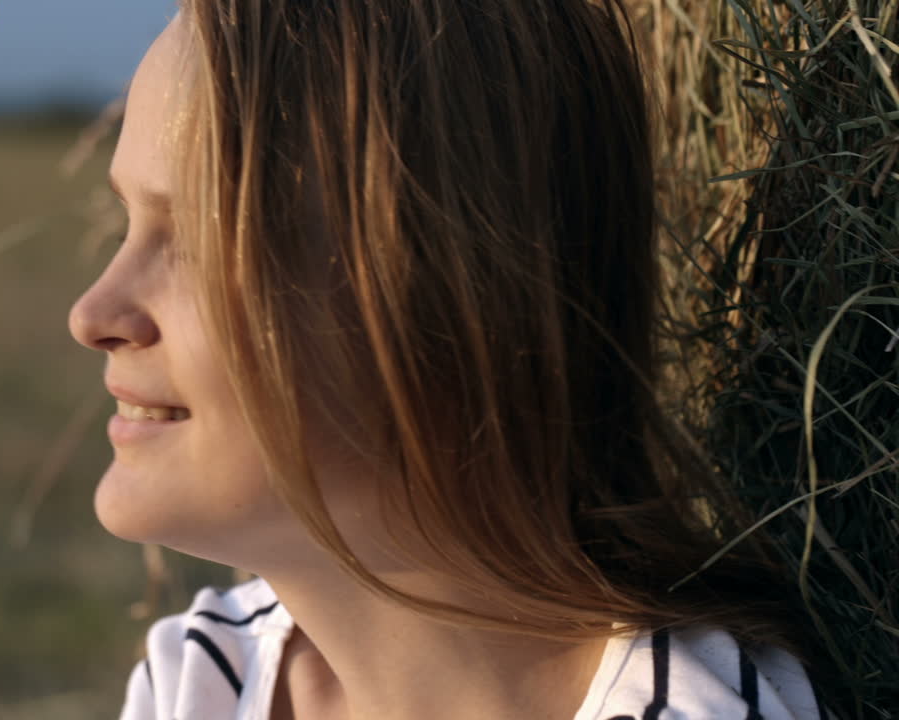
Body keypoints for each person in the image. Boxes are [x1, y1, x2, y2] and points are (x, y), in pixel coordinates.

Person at [68, 1, 828, 718]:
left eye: (204, 236)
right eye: (130, 225)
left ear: (452, 295)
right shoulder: (204, 678)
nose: (92, 316)